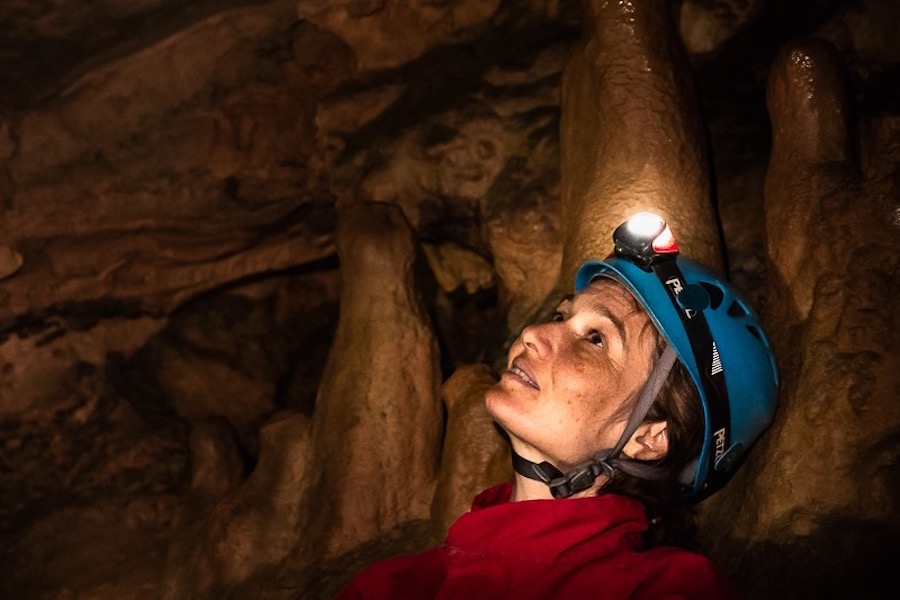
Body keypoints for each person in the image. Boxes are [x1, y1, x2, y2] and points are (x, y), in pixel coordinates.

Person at [335, 213, 779, 599]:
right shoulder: (393, 586)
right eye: (561, 316)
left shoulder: (666, 591)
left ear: (647, 437)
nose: (534, 333)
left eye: (595, 339)